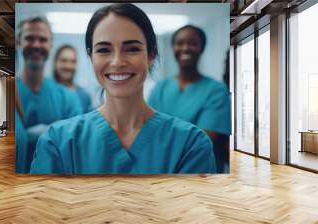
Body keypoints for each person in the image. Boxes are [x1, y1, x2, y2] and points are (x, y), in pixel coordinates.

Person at [30, 3, 216, 174]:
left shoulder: (190, 145)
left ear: (151, 54)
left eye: (132, 48)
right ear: (91, 57)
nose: (117, 62)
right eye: (103, 50)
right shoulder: (57, 142)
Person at [148, 25, 231, 173]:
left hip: (200, 172)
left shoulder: (216, 90)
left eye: (193, 43)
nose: (185, 48)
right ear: (173, 48)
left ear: (202, 48)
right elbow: (147, 130)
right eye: (179, 43)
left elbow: (202, 141)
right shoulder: (160, 88)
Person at [16, 16, 82, 173]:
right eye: (30, 38)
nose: (36, 44)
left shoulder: (68, 99)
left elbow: (77, 146)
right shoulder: (10, 93)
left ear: (51, 45)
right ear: (19, 42)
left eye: (43, 39)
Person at [53, 45, 93, 113]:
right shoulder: (45, 93)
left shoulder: (84, 96)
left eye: (73, 61)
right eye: (64, 61)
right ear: (55, 63)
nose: (68, 66)